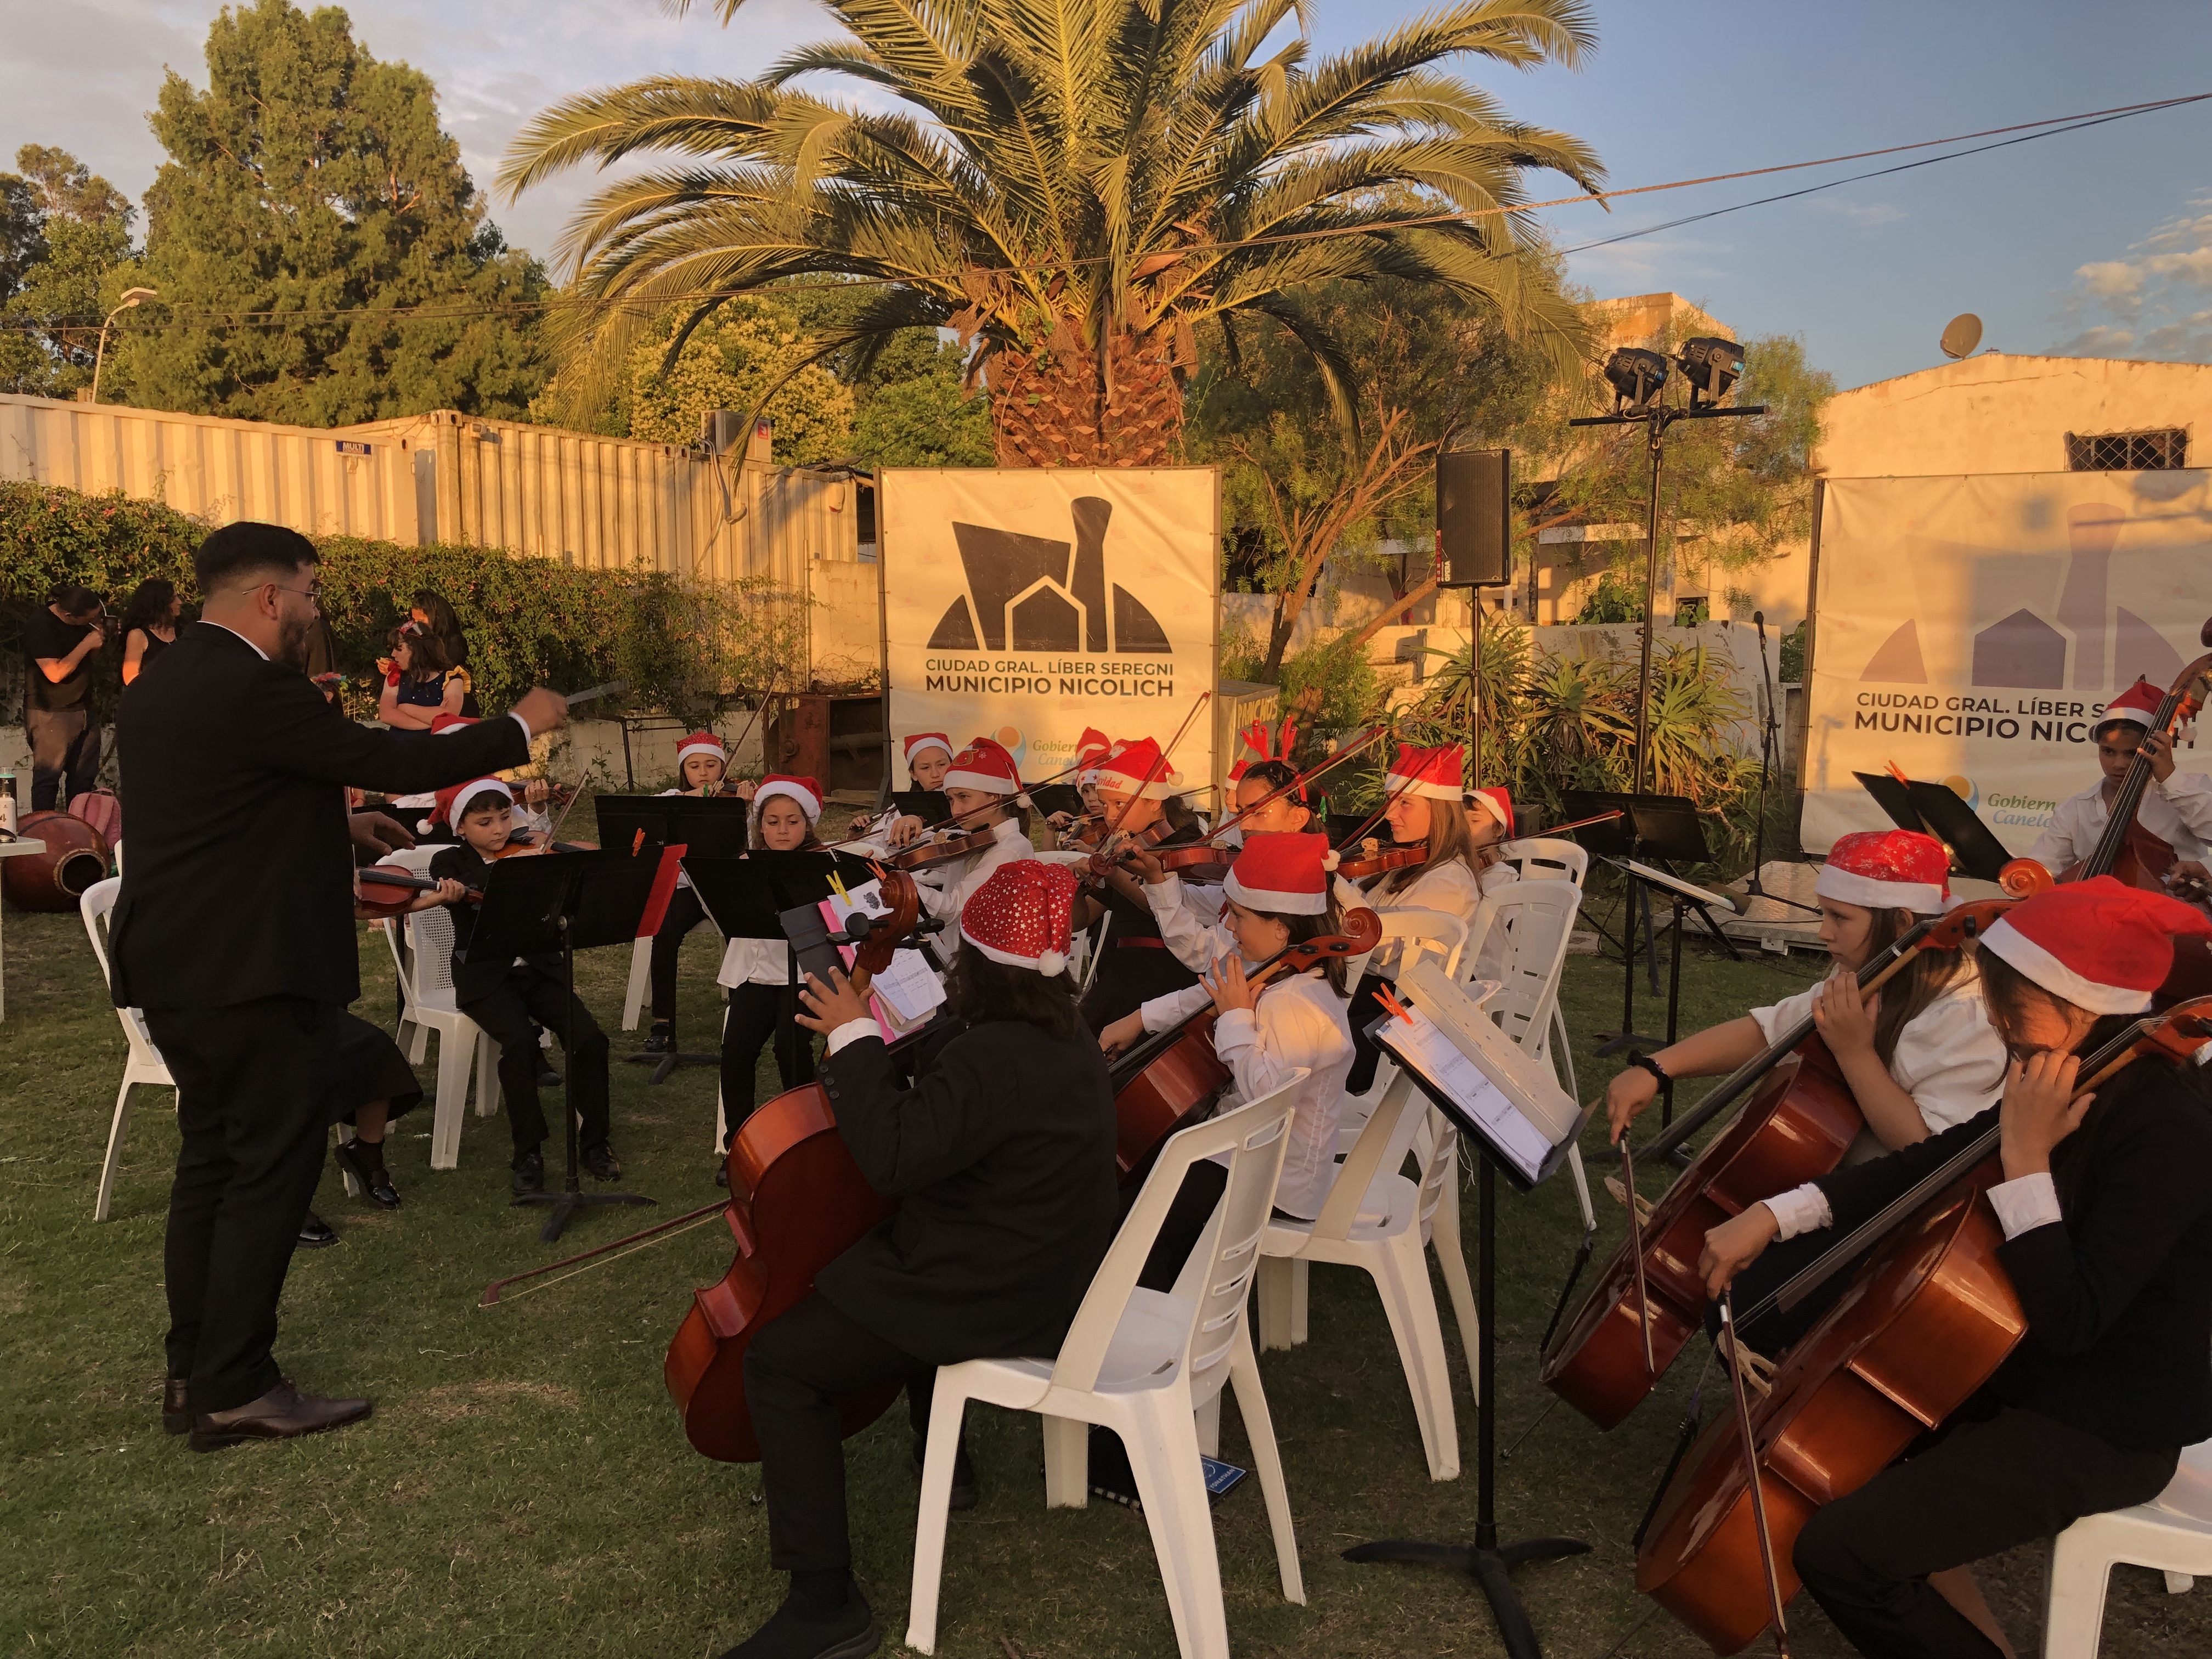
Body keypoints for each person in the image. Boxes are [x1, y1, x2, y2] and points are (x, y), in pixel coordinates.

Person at [112, 520, 565, 1451]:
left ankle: (190, 1369)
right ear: (271, 594)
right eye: (311, 594)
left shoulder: (164, 679)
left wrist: (335, 832)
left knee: (209, 1163)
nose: (315, 613)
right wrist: (519, 725)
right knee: (268, 1171)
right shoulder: (251, 680)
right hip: (252, 971)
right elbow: (390, 760)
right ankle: (237, 1383)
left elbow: (223, 800)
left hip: (179, 964)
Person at [1697, 877, 2212, 1659]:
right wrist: (1775, 1214)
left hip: (2107, 1425)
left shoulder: (2169, 1128)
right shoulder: (2065, 1071)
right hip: (2021, 1375)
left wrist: (2028, 1163)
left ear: (2079, 1008)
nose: (2001, 1028)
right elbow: (1929, 1164)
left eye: (2014, 1010)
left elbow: (2075, 1320)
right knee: (1856, 1457)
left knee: (1842, 1554)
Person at [725, 860, 1116, 1659]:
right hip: (1049, 1269)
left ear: (974, 967)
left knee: (778, 1361)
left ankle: (825, 1605)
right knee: (867, 1266)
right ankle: (946, 1457)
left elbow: (894, 1162)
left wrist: (851, 1035)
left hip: (994, 1288)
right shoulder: (1060, 1033)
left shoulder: (991, 1057)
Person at [1607, 828, 2009, 1352]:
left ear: (1904, 923)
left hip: (1902, 1219)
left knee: (1751, 1308)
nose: (1823, 933)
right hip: (1840, 1190)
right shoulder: (1871, 977)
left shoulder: (1967, 1014)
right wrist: (1659, 1069)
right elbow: (1769, 1028)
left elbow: (1925, 1150)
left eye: (1840, 918)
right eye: (1824, 914)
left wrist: (1856, 1053)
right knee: (1739, 1293)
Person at [430, 778, 619, 1196]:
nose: (499, 830)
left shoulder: (526, 847)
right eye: (485, 822)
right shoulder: (450, 860)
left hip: (538, 970)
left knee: (590, 1038)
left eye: (502, 818)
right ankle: (528, 1151)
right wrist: (495, 872)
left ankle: (595, 1143)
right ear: (461, 827)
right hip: (486, 976)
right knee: (519, 1044)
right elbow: (447, 881)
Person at [1340, 743, 1498, 1093]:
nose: (1390, 814)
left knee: (1300, 1043)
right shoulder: (1402, 864)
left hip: (1400, 1020)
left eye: (1405, 803)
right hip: (1370, 996)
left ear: (1438, 810)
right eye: (1390, 802)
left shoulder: (1448, 880)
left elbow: (1380, 945)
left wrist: (1335, 886)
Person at [713, 775, 829, 1182]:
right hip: (754, 969)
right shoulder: (746, 863)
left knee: (790, 1048)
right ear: (760, 826)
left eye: (792, 821)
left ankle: (804, 1139)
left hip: (801, 970)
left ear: (807, 824)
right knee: (737, 1049)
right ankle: (738, 1146)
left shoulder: (820, 863)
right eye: (774, 821)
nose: (782, 830)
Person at [1074, 735, 1205, 1030]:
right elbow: (1079, 922)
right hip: (1125, 969)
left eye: (1120, 804)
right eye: (1105, 805)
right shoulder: (1119, 847)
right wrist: (1072, 885)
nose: (1109, 816)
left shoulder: (1184, 846)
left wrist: (1116, 876)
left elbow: (1172, 908)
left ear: (1155, 801)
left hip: (1170, 974)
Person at [2024, 678, 2212, 879]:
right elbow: (2045, 868)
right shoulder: (2075, 809)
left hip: (2173, 907)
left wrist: (2169, 776)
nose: (2118, 764)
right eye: (2108, 751)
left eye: (2132, 753)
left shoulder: (2190, 789)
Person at [640, 730, 746, 1057]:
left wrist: (749, 803)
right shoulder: (672, 798)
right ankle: (662, 1023)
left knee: (743, 933)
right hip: (687, 888)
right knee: (665, 932)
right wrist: (698, 796)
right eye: (695, 766)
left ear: (723, 768)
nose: (703, 773)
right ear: (683, 771)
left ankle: (743, 1015)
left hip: (726, 886)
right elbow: (656, 812)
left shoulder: (734, 799)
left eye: (711, 765)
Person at [900, 738, 1037, 949]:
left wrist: (901, 885)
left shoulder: (1009, 850)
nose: (956, 811)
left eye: (964, 797)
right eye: (951, 800)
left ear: (995, 796)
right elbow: (916, 855)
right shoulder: (970, 839)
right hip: (953, 951)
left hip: (981, 964)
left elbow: (952, 909)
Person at [22, 582, 108, 810]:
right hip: (51, 712)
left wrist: (98, 642)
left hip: (84, 708)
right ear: (69, 615)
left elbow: (89, 662)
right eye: (89, 618)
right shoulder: (41, 626)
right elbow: (55, 673)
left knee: (83, 781)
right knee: (48, 780)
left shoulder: (81, 621)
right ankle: (44, 834)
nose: (93, 620)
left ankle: (80, 834)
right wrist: (87, 643)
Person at [376, 624, 468, 729]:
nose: (393, 654)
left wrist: (405, 708)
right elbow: (386, 715)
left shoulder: (451, 678)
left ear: (416, 650)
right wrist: (431, 723)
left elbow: (449, 717)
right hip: (400, 744)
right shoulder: (395, 676)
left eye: (399, 649)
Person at [410, 589, 480, 716]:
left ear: (435, 618)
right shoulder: (418, 639)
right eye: (414, 622)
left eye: (420, 622)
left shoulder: (454, 645)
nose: (417, 626)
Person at [119, 577, 181, 687]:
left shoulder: (181, 629)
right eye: (173, 599)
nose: (180, 602)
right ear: (160, 604)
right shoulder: (138, 635)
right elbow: (130, 678)